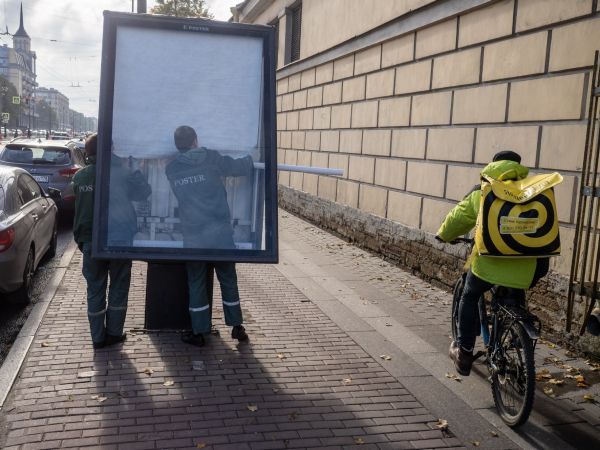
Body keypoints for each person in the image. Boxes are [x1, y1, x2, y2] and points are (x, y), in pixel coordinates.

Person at [436, 151, 549, 376]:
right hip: (531, 265)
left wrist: (443, 235)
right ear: (518, 167)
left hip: (488, 264)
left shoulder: (483, 190)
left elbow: (458, 218)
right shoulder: (533, 190)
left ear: (494, 166)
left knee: (469, 295)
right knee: (515, 281)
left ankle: (465, 352)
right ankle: (516, 335)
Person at [166, 125, 253, 347]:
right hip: (220, 231)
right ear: (195, 140)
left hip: (194, 233)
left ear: (177, 145)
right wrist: (252, 158)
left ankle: (199, 331)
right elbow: (238, 167)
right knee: (228, 278)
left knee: (196, 282)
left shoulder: (172, 169)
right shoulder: (211, 158)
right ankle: (236, 326)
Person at [72, 133, 151, 349]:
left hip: (90, 242)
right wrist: (136, 172)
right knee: (119, 286)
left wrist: (81, 240)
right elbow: (144, 193)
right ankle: (115, 333)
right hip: (120, 240)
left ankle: (97, 338)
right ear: (111, 149)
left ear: (88, 152)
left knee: (95, 289)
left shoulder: (80, 177)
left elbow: (79, 214)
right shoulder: (124, 173)